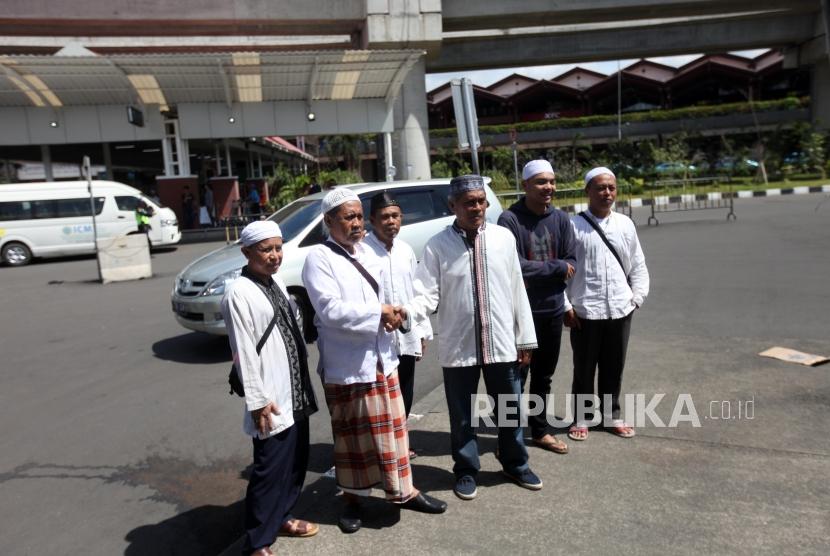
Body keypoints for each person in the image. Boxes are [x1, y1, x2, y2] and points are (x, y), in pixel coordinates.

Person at [302, 188, 447, 535]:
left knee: (395, 434)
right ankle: (352, 499)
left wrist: (400, 318)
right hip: (347, 365)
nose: (356, 223)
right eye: (347, 217)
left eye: (357, 216)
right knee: (353, 440)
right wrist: (378, 313)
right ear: (328, 221)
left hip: (383, 358)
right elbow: (330, 310)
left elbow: (390, 296)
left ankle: (404, 492)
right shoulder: (318, 258)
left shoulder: (367, 253)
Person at [401, 174, 541, 501]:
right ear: (453, 206)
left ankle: (515, 463)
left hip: (502, 342)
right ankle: (466, 469)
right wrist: (406, 314)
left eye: (480, 201)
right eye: (468, 202)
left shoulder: (503, 238)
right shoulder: (438, 245)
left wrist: (525, 339)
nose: (476, 207)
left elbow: (517, 288)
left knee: (509, 408)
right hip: (459, 346)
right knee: (462, 414)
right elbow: (426, 293)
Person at [221, 220, 320, 556]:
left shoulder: (274, 279)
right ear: (247, 252)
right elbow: (243, 351)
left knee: (295, 461)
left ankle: (283, 517)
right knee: (269, 468)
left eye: (278, 248)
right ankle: (258, 541)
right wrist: (258, 400)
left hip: (295, 388)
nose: (275, 255)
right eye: (267, 250)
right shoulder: (238, 292)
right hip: (271, 397)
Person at [563, 167, 650, 442]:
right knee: (584, 368)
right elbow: (561, 271)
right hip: (585, 310)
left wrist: (637, 297)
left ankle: (612, 415)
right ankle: (582, 417)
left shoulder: (625, 224)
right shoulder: (572, 227)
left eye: (611, 187)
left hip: (620, 308)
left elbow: (638, 263)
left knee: (614, 366)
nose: (607, 193)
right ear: (587, 191)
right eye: (600, 188)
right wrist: (566, 306)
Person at [498, 160, 576, 455]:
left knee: (544, 376)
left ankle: (540, 430)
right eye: (542, 182)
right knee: (514, 377)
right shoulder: (510, 220)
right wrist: (556, 268)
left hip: (553, 310)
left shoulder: (561, 219)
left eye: (552, 182)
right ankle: (508, 438)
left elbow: (574, 262)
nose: (549, 188)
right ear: (526, 185)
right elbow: (515, 267)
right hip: (520, 313)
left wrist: (550, 269)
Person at [364, 191, 433, 459]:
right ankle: (379, 446)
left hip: (405, 334)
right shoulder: (363, 252)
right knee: (379, 392)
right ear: (372, 220)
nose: (391, 221)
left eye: (395, 216)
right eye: (384, 217)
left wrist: (422, 331)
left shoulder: (405, 250)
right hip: (376, 337)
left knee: (405, 388)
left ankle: (401, 439)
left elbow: (415, 293)